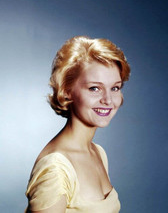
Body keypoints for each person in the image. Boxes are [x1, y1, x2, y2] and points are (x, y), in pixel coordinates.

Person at [25, 36, 130, 213]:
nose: (108, 100)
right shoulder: (56, 168)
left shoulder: (98, 152)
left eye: (115, 88)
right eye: (94, 88)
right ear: (67, 91)